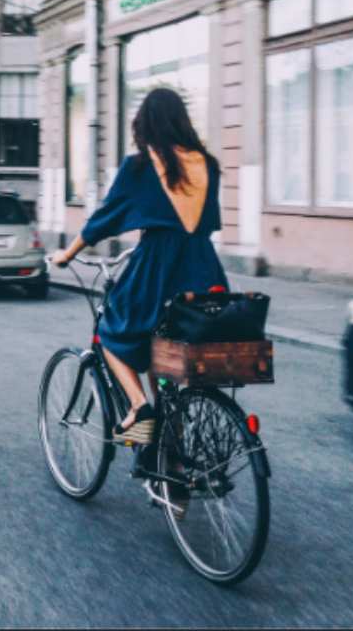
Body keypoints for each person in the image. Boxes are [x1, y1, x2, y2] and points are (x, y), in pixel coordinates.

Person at [51, 87, 228, 444]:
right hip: (205, 267)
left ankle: (138, 407)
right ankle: (173, 475)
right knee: (169, 360)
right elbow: (207, 222)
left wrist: (67, 254)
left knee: (111, 334)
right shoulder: (208, 164)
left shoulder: (140, 166)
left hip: (158, 266)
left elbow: (104, 218)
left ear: (144, 124)